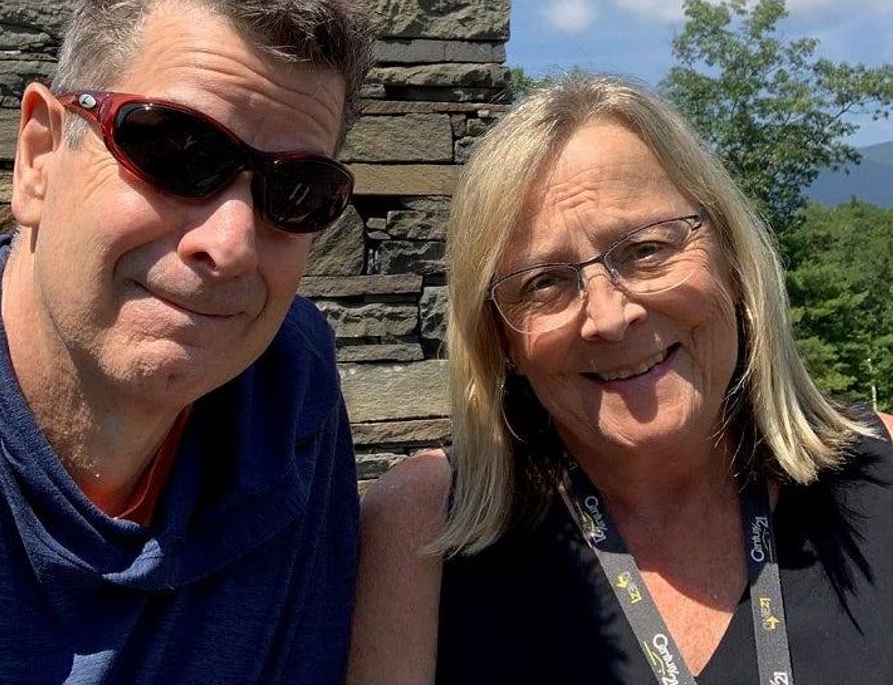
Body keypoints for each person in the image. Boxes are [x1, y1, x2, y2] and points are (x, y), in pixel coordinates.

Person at [0, 0, 372, 685]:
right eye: (176, 148)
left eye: (295, 191)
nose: (230, 242)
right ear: (38, 159)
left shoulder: (287, 395)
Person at [348, 72, 893, 685]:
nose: (609, 316)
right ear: (501, 343)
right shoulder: (421, 531)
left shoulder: (883, 470)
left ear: (733, 263)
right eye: (544, 283)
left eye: (647, 250)